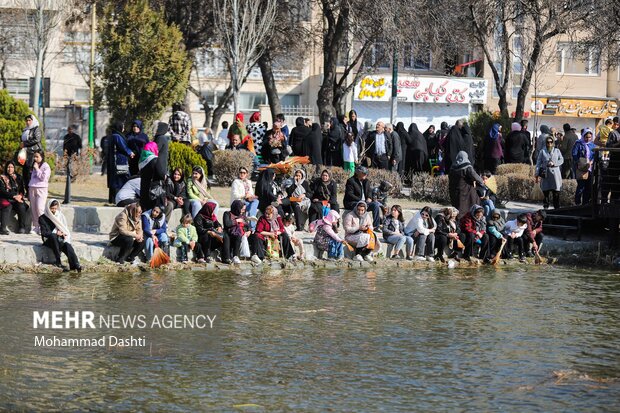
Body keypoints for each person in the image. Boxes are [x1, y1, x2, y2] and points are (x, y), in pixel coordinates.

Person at [39, 199, 81, 272]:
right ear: (48, 208)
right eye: (52, 208)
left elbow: (64, 228)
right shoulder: (42, 218)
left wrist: (62, 233)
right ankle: (58, 259)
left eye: (55, 208)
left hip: (60, 238)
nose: (54, 210)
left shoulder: (60, 215)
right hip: (49, 239)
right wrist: (55, 233)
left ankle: (75, 264)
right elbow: (44, 233)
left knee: (67, 246)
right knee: (54, 236)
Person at [139, 124, 169, 212]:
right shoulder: (162, 138)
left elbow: (154, 151)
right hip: (157, 170)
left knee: (149, 194)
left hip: (155, 170)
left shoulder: (160, 138)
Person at [448, 151, 485, 219]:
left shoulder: (453, 166)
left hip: (454, 191)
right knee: (473, 201)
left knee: (458, 206)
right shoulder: (467, 166)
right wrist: (482, 182)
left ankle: (458, 220)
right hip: (466, 190)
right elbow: (474, 176)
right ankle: (471, 218)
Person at [106, 121, 135, 203]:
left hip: (115, 160)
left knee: (115, 179)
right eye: (122, 126)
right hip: (119, 160)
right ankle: (118, 199)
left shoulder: (113, 135)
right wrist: (130, 152)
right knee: (120, 179)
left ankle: (112, 199)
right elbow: (123, 147)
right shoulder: (117, 136)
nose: (123, 128)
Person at [0, 161, 29, 234]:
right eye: (8, 167)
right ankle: (3, 228)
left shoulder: (18, 177)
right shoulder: (1, 177)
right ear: (6, 168)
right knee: (7, 206)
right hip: (6, 198)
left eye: (12, 167)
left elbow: (22, 190)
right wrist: (13, 196)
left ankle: (22, 227)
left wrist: (19, 196)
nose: (10, 169)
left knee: (21, 206)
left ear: (14, 168)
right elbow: (2, 191)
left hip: (17, 199)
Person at [536, 134, 564, 209]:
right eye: (548, 142)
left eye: (551, 142)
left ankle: (556, 207)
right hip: (546, 173)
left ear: (553, 142)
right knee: (546, 191)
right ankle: (546, 206)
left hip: (555, 174)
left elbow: (561, 160)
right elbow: (538, 162)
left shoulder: (557, 150)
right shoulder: (542, 151)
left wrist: (555, 163)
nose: (549, 144)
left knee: (556, 192)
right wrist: (537, 172)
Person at [28, 151, 51, 235]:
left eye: (37, 156)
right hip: (32, 187)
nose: (35, 158)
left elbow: (44, 178)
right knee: (33, 208)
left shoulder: (46, 166)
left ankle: (43, 227)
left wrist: (37, 169)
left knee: (40, 208)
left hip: (41, 188)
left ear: (42, 156)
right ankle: (35, 227)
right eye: (34, 156)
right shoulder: (34, 165)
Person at [223, 200, 251, 264]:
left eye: (244, 210)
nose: (243, 211)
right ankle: (228, 257)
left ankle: (237, 256)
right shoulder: (227, 214)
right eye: (242, 209)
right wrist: (236, 221)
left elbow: (247, 225)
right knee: (230, 237)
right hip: (230, 233)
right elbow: (227, 224)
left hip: (240, 233)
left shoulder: (242, 215)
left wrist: (249, 231)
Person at [20, 114, 43, 193]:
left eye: (29, 120)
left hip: (34, 153)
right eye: (26, 120)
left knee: (31, 173)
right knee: (25, 174)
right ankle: (27, 191)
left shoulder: (36, 129)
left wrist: (25, 144)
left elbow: (37, 139)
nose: (28, 122)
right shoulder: (25, 130)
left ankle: (32, 191)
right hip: (25, 154)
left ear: (33, 121)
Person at [573, 129, 595, 206]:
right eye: (586, 137)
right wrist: (580, 162)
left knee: (588, 187)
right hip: (581, 168)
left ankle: (585, 203)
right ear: (583, 136)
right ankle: (577, 202)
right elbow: (574, 154)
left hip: (590, 168)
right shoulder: (578, 143)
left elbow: (595, 155)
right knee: (581, 186)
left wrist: (592, 161)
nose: (588, 139)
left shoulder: (592, 145)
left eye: (589, 137)